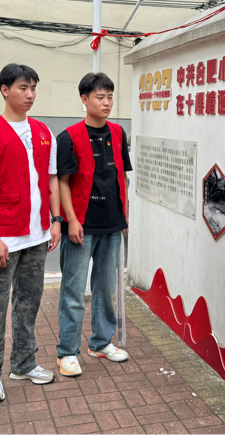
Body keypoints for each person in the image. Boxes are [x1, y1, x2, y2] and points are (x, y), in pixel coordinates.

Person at [0, 64, 62, 402]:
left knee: (29, 302)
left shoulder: (43, 132)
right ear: (5, 90)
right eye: (23, 87)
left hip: (37, 234)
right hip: (4, 237)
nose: (30, 94)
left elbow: (51, 179)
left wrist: (55, 220)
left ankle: (24, 363)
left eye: (33, 88)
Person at [55, 72, 133, 377]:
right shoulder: (69, 137)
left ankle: (101, 342)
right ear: (84, 99)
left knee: (105, 287)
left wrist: (125, 214)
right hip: (80, 225)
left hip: (111, 223)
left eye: (110, 97)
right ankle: (67, 351)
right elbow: (62, 182)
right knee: (74, 291)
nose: (106, 103)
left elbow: (121, 176)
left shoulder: (118, 133)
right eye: (100, 97)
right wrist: (71, 220)